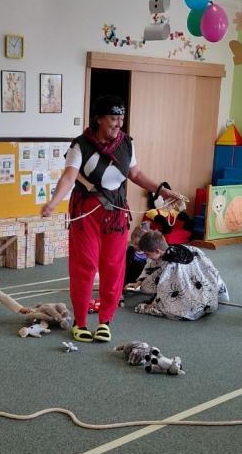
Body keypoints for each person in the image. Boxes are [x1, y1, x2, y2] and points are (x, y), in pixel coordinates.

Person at [42, 94, 185, 343]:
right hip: (86, 213)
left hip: (116, 214)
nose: (118, 124)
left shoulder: (126, 144)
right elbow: (68, 177)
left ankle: (105, 321)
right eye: (113, 119)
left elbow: (136, 174)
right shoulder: (80, 145)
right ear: (99, 119)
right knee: (85, 266)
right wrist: (54, 202)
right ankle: (80, 322)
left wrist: (162, 191)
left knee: (113, 267)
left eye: (121, 118)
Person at [128, 229, 229, 321]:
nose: (147, 257)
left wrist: (143, 286)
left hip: (192, 305)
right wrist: (140, 280)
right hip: (210, 295)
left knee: (150, 304)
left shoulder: (169, 266)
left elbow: (153, 286)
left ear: (158, 251)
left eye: (147, 254)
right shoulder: (190, 249)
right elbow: (151, 265)